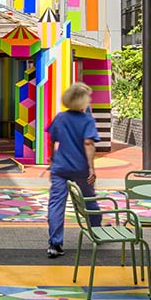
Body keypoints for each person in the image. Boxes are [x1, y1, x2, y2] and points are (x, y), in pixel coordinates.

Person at [46, 82, 101, 258]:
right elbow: (88, 143)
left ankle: (55, 243)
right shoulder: (87, 120)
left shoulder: (60, 117)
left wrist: (52, 159)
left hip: (60, 168)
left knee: (56, 203)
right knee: (89, 199)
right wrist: (91, 168)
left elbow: (52, 140)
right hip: (81, 169)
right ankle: (97, 232)